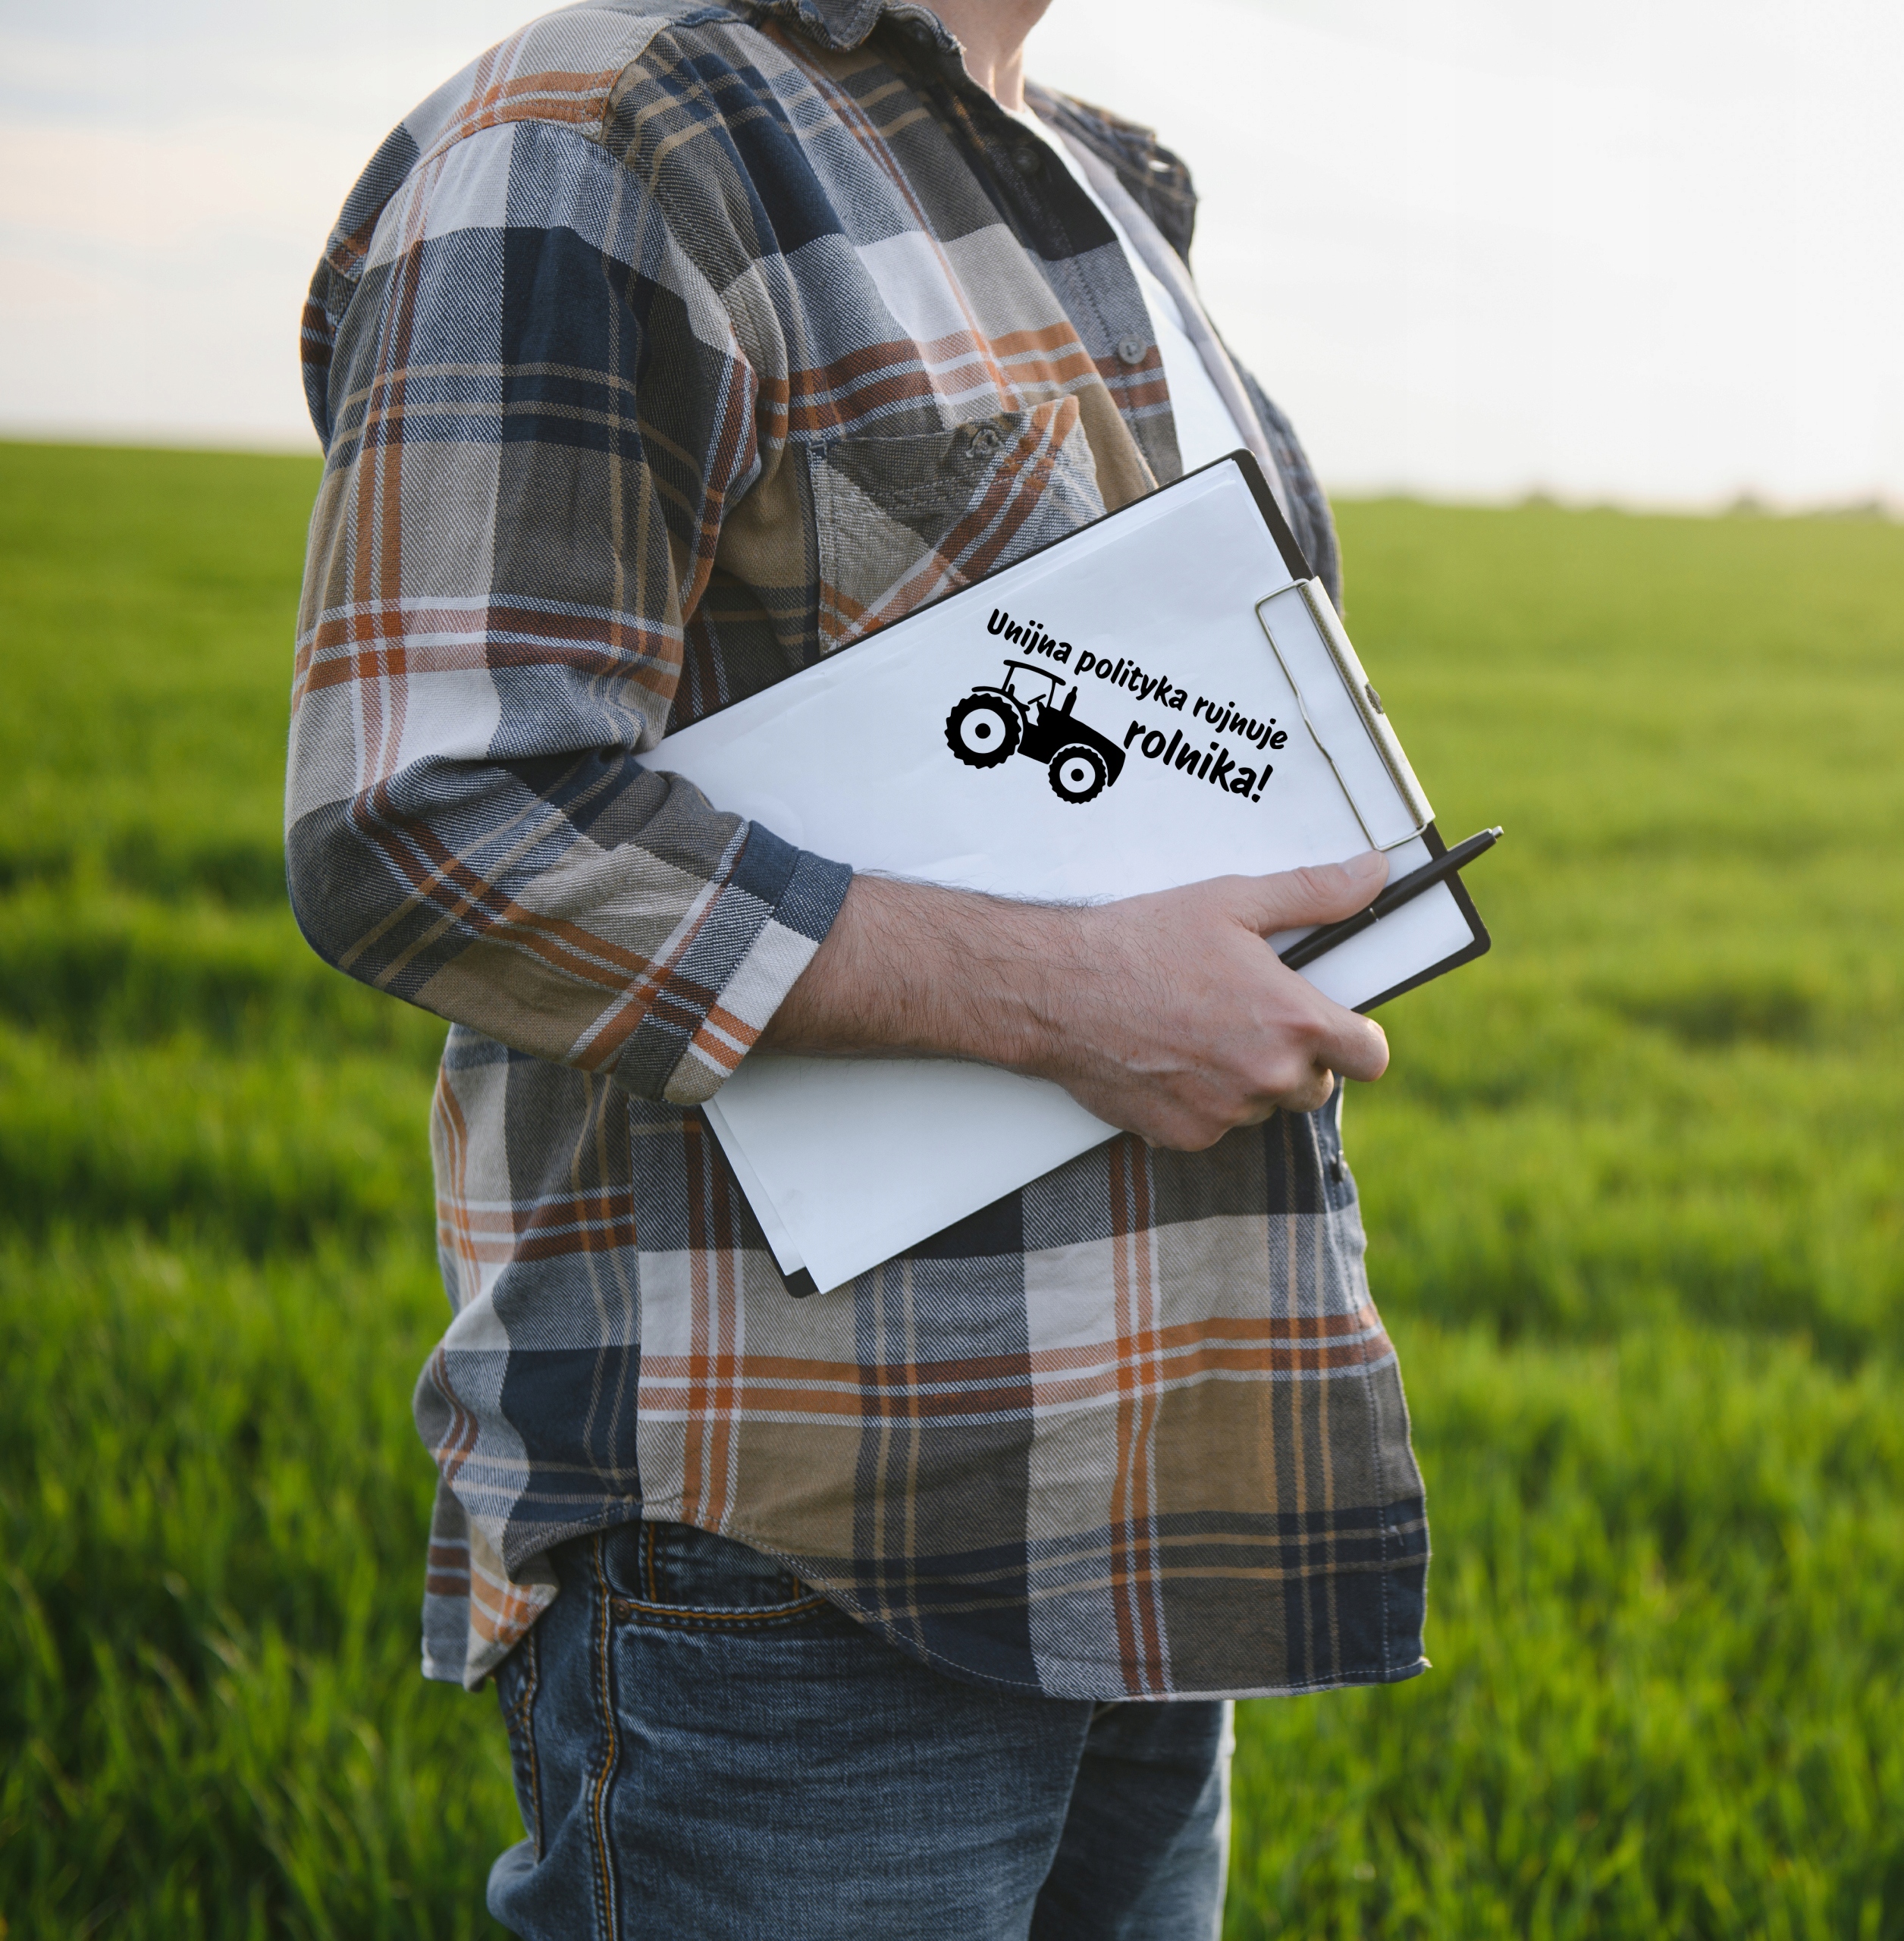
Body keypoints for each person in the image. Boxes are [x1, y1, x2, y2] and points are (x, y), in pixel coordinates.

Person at [286, 0, 1429, 1932]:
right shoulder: (608, 128)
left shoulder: (1086, 173)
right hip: (802, 1554)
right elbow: (427, 818)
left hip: (1156, 1497)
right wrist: (1074, 995)